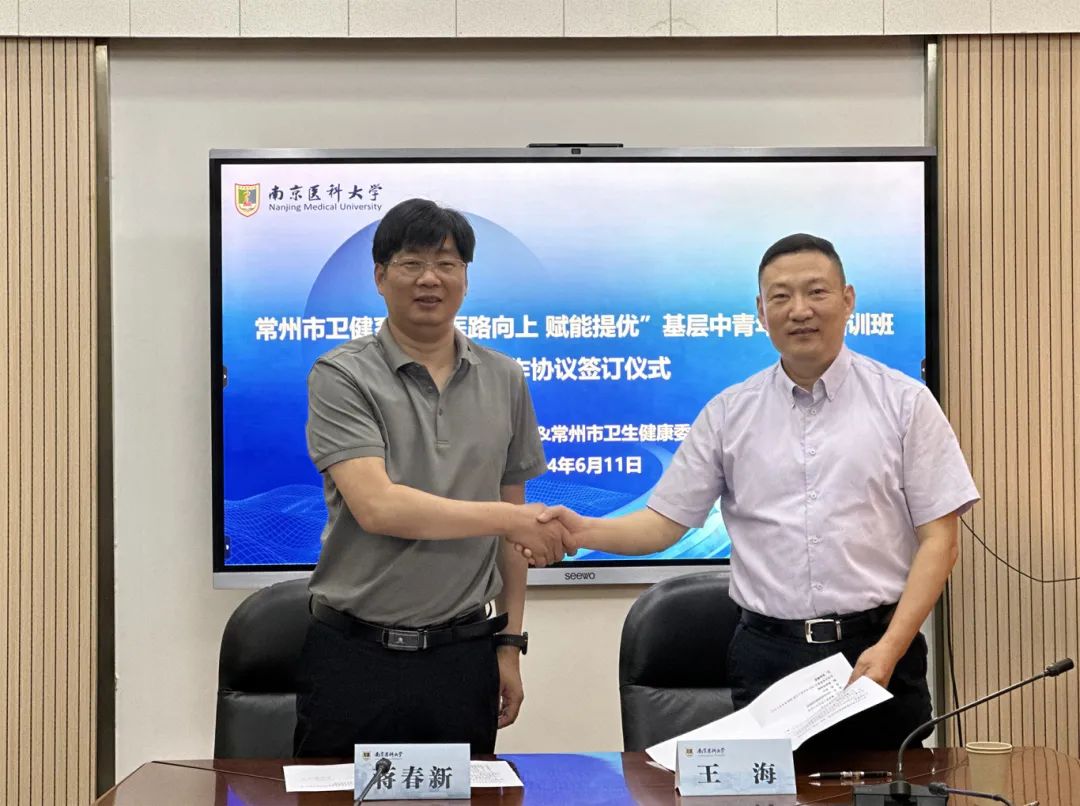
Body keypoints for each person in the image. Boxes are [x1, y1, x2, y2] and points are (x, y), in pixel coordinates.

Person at [530, 233, 979, 750]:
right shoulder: (729, 413)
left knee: (888, 786)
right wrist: (581, 530)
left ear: (848, 300)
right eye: (781, 297)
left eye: (816, 292)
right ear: (761, 312)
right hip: (768, 657)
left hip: (878, 649)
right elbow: (662, 525)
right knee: (769, 787)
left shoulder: (905, 403)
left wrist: (892, 647)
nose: (800, 310)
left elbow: (939, 541)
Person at [294, 198, 567, 758]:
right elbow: (380, 508)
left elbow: (512, 540)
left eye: (446, 264)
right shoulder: (342, 374)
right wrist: (510, 518)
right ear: (379, 276)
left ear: (465, 277)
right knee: (336, 798)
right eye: (411, 262)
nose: (429, 279)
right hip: (353, 653)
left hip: (463, 655)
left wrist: (509, 645)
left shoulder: (505, 378)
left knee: (463, 796)